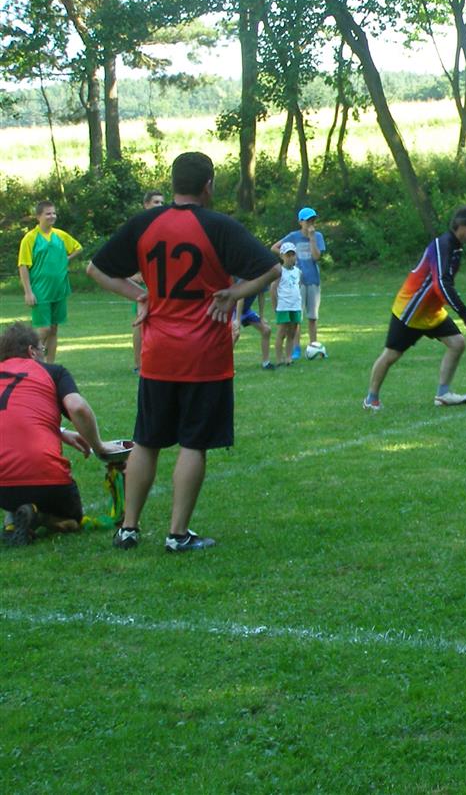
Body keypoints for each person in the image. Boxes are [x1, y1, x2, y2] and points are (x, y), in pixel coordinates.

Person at [87, 151, 280, 552]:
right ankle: (177, 534)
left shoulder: (145, 223)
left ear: (173, 183)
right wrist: (234, 293)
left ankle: (129, 528)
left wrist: (141, 296)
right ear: (208, 185)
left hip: (158, 352)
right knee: (194, 443)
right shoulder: (219, 226)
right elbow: (272, 268)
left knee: (147, 440)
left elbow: (96, 269)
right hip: (205, 355)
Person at [0, 322, 124, 546]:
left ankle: (13, 517)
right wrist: (98, 446)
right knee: (72, 522)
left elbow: (11, 413)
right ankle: (39, 517)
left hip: (3, 487)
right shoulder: (53, 372)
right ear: (32, 351)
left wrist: (60, 431)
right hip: (45, 480)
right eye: (43, 349)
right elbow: (77, 407)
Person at [363, 205, 466, 411]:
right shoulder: (443, 245)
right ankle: (371, 399)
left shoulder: (455, 247)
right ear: (461, 225)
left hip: (431, 312)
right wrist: (465, 314)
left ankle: (443, 394)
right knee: (391, 355)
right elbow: (442, 284)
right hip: (411, 310)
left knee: (457, 343)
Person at [17, 201, 83, 363]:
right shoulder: (30, 238)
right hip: (40, 290)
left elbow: (78, 248)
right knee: (44, 328)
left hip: (59, 289)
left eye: (53, 213)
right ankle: (23, 356)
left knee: (53, 329)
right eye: (48, 213)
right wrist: (28, 292)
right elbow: (23, 265)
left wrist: (65, 259)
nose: (52, 216)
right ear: (38, 216)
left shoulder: (60, 235)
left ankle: (49, 366)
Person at [271, 206, 326, 359]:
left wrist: (312, 238)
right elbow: (274, 248)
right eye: (308, 220)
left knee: (312, 317)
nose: (311, 223)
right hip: (296, 282)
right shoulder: (293, 236)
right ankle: (296, 348)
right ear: (301, 222)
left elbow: (316, 257)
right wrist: (287, 258)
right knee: (297, 317)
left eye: (313, 220)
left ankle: (314, 346)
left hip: (313, 279)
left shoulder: (318, 236)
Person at [131, 190, 166, 371]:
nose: (159, 206)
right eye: (155, 202)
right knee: (140, 322)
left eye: (162, 202)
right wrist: (133, 276)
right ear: (146, 205)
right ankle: (139, 364)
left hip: (162, 285)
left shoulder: (166, 226)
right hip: (144, 287)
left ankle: (159, 361)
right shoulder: (138, 227)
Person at [272, 242, 303, 366]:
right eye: (287, 255)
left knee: (292, 332)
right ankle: (279, 359)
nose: (290, 258)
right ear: (282, 256)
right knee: (282, 332)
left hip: (295, 306)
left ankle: (288, 357)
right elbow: (273, 289)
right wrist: (275, 306)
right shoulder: (280, 271)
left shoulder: (298, 272)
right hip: (284, 306)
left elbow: (298, 286)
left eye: (292, 255)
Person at [234, 284, 273, 369]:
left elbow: (261, 296)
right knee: (235, 334)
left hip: (247, 311)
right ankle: (225, 364)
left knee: (267, 330)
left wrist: (261, 317)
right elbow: (240, 298)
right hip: (234, 310)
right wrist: (237, 320)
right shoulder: (246, 279)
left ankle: (266, 363)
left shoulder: (261, 279)